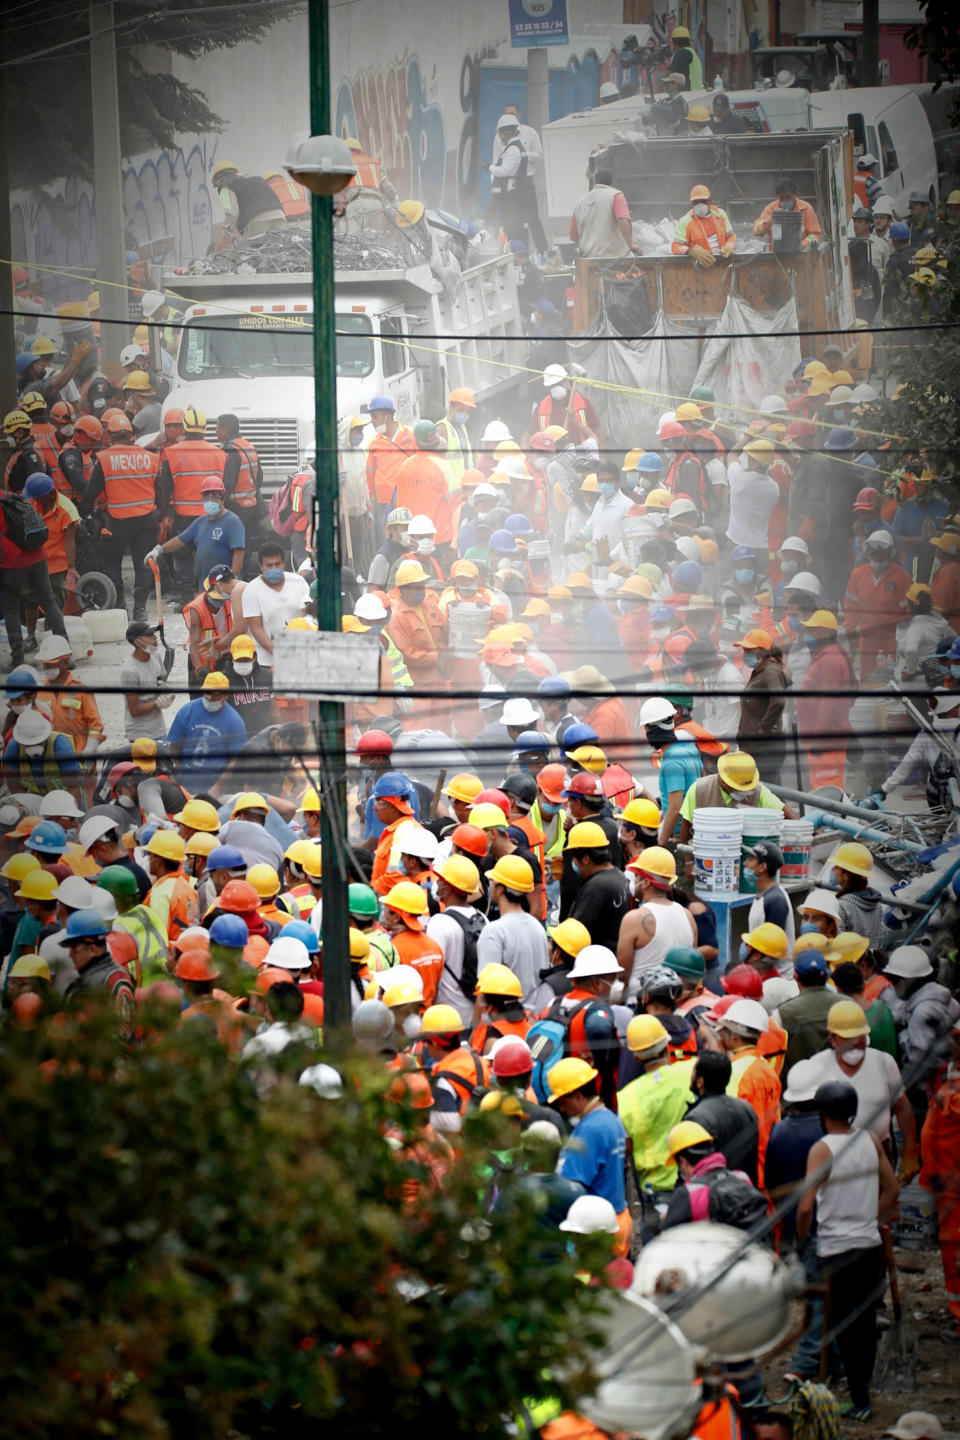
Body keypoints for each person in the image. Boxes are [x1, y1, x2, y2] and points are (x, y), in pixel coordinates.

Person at [796, 1080, 899, 1422]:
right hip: (868, 1245)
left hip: (836, 1249)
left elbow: (806, 1206)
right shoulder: (869, 1140)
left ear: (823, 1113)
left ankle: (860, 1399)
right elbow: (892, 1188)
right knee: (865, 1323)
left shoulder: (822, 1150)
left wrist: (801, 1240)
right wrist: (871, 1215)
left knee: (841, 1325)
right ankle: (862, 1391)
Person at [79, 409, 161, 619]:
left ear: (111, 435)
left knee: (112, 561)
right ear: (131, 435)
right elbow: (161, 492)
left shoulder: (105, 459)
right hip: (146, 520)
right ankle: (140, 609)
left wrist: (85, 514)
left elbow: (90, 493)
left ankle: (120, 605)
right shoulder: (150, 458)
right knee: (143, 563)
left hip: (118, 522)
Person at [549, 1057, 632, 1257]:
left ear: (577, 1096)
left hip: (595, 1229)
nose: (561, 1108)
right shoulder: (610, 1120)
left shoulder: (589, 1130)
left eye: (562, 1100)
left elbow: (572, 1187)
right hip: (617, 1219)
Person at [618, 1014, 694, 1228]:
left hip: (654, 1187)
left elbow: (627, 1146)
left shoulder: (626, 1096)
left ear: (636, 1057)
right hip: (691, 1178)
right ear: (667, 1046)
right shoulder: (688, 1073)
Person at [884, 946, 960, 1121]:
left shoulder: (921, 1012)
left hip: (935, 1088)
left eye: (895, 979)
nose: (892, 984)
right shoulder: (943, 995)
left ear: (908, 981)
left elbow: (918, 1060)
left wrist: (902, 1036)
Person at [919, 1019, 960, 1341]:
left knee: (954, 1256)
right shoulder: (951, 1091)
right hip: (946, 1190)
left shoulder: (954, 1097)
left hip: (953, 1194)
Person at [714, 997, 782, 1187]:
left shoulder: (735, 1072)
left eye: (724, 1032)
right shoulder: (767, 1069)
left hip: (743, 1170)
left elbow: (725, 1123)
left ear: (735, 1037)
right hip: (767, 1165)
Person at [618, 846, 696, 1003]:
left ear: (646, 882)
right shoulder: (688, 916)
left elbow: (622, 975)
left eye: (637, 877)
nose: (634, 882)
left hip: (640, 1004)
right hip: (675, 1003)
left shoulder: (634, 919)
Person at [660, 1120, 767, 1231]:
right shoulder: (742, 1178)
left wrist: (668, 1217)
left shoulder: (687, 1195)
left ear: (683, 1161)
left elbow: (670, 1238)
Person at [476, 854, 548, 1006]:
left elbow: (485, 989)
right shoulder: (538, 928)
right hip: (534, 1019)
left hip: (506, 1021)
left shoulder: (494, 931)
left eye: (493, 882)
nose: (490, 886)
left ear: (501, 889)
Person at [796, 611, 855, 790]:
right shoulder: (823, 657)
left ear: (826, 633)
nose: (808, 634)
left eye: (813, 630)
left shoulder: (830, 660)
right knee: (821, 787)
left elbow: (828, 703)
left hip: (826, 739)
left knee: (828, 789)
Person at [149, 476, 245, 587]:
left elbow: (239, 552)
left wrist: (233, 579)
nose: (210, 500)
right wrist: (159, 549)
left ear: (222, 498)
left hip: (224, 586)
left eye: (214, 496)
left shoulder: (232, 521)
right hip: (204, 584)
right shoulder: (200, 522)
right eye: (206, 497)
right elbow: (180, 540)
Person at [61, 908, 137, 1044]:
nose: (70, 955)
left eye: (74, 950)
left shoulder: (104, 982)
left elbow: (125, 1035)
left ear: (91, 949)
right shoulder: (116, 975)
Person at [685, 1051, 760, 1185]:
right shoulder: (747, 1109)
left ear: (700, 1082)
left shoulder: (696, 1118)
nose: (691, 1076)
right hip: (746, 1193)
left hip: (716, 1199)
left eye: (693, 1072)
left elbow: (692, 1170)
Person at [166, 672, 247, 794]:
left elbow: (235, 760)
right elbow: (175, 746)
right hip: (186, 782)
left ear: (225, 696)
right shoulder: (187, 711)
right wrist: (180, 772)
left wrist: (218, 787)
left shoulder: (234, 721)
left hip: (215, 785)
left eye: (215, 695)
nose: (210, 698)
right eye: (207, 693)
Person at [564, 820, 631, 955]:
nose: (574, 863)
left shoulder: (597, 887)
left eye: (574, 858)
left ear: (586, 859)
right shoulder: (620, 877)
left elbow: (576, 933)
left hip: (596, 959)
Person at [240, 543, 310, 669]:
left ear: (284, 564)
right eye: (269, 565)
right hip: (269, 662)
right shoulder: (251, 590)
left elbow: (308, 616)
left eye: (277, 564)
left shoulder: (299, 582)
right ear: (261, 566)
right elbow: (256, 629)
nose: (274, 568)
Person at [35, 633, 104, 754]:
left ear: (65, 663)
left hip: (78, 755)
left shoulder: (81, 690)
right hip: (51, 759)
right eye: (45, 664)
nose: (46, 667)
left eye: (51, 663)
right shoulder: (39, 692)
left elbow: (95, 725)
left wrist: (90, 747)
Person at [735, 629, 789, 781]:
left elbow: (778, 701)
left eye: (750, 650)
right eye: (745, 649)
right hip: (755, 748)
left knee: (767, 793)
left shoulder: (771, 671)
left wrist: (763, 729)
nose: (745, 653)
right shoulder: (760, 670)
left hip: (765, 748)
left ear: (764, 652)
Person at [23, 473, 78, 614]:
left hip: (55, 564)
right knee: (30, 599)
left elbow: (69, 539)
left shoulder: (67, 510)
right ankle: (31, 634)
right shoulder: (32, 503)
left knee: (55, 603)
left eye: (36, 497)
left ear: (48, 495)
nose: (34, 499)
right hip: (33, 560)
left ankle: (55, 634)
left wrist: (71, 567)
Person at [777, 949, 835, 1078]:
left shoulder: (783, 1013)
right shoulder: (846, 1005)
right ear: (826, 974)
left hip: (796, 1087)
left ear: (796, 975)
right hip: (838, 1087)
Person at [569, 169, 640, 260]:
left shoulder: (580, 202)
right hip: (614, 258)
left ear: (594, 182)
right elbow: (622, 219)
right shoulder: (616, 195)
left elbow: (573, 236)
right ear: (612, 182)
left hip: (588, 260)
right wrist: (631, 245)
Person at [119, 621, 171, 742]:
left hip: (160, 730)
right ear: (137, 642)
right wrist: (158, 703)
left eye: (154, 634)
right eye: (149, 636)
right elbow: (134, 710)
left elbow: (160, 682)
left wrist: (166, 692)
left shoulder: (156, 657)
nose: (155, 638)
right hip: (140, 735)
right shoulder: (129, 671)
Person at [743, 842, 796, 961]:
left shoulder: (775, 901)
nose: (745, 863)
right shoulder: (762, 895)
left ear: (762, 867)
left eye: (751, 860)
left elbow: (773, 950)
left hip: (775, 974)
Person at [212, 160, 285, 237]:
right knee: (280, 247)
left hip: (258, 221)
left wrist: (225, 235)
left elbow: (231, 214)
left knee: (257, 247)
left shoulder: (225, 187)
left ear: (222, 178)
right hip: (279, 216)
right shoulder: (257, 179)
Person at [671, 185, 735, 266]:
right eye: (696, 202)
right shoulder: (685, 222)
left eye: (703, 201)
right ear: (691, 203)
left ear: (709, 201)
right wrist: (690, 251)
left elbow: (730, 236)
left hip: (722, 263)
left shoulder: (720, 215)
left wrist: (729, 246)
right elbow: (675, 246)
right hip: (699, 266)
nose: (700, 205)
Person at [753, 177, 821, 251]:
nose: (785, 200)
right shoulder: (771, 208)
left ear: (795, 194)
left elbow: (815, 234)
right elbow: (756, 232)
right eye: (781, 198)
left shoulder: (806, 208)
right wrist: (771, 220)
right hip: (776, 257)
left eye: (788, 197)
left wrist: (802, 245)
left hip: (800, 256)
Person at [667, 24, 702, 90]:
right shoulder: (691, 52)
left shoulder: (682, 53)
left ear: (676, 42)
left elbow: (670, 75)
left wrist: (659, 84)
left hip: (689, 94)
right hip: (697, 91)